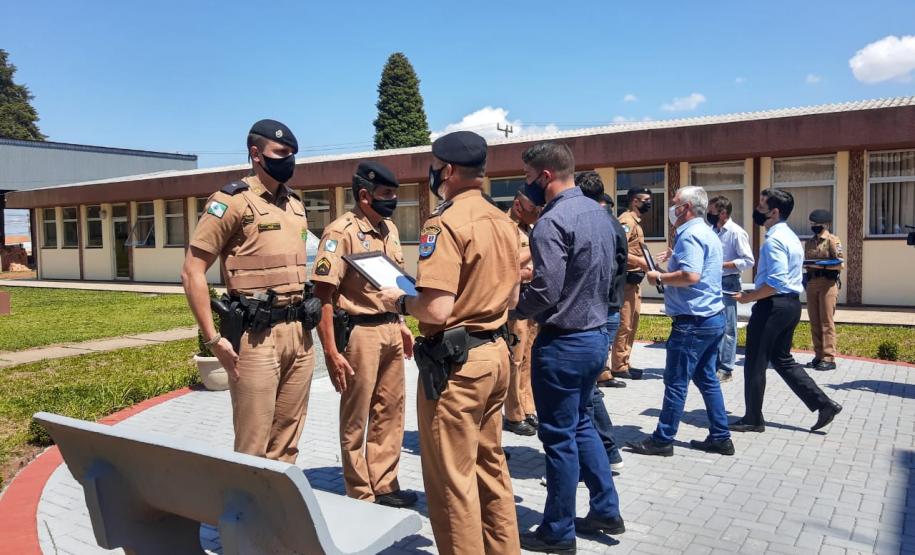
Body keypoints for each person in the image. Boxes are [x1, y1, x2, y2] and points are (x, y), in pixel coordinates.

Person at [379, 131, 521, 555]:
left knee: (450, 482)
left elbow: (437, 310)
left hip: (457, 366)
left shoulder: (444, 223)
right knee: (489, 468)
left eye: (436, 166)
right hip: (496, 354)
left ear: (450, 171)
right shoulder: (504, 221)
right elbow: (513, 298)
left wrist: (401, 300)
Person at [181, 119, 319, 462]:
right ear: (256, 154)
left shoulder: (295, 205)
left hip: (299, 334)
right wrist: (213, 339)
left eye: (292, 154)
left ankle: (278, 513)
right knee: (253, 445)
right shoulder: (231, 202)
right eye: (281, 152)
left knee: (288, 438)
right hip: (257, 339)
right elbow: (192, 271)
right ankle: (247, 514)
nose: (289, 160)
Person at [513, 144, 624, 553]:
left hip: (562, 342)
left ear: (543, 176)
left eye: (526, 176)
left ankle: (558, 531)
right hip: (596, 337)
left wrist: (514, 307)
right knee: (581, 426)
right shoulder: (600, 214)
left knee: (558, 439)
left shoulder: (550, 222)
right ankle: (606, 509)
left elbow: (545, 290)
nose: (524, 186)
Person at [311, 161, 418, 508]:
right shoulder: (340, 232)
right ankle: (360, 491)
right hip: (359, 334)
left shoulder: (389, 229)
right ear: (364, 195)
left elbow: (394, 283)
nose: (392, 201)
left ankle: (385, 483)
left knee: (391, 410)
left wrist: (402, 324)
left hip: (389, 326)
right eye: (386, 195)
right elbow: (323, 296)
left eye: (394, 195)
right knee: (357, 414)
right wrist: (330, 350)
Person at [625, 186, 734, 457]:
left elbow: (690, 276)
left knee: (676, 381)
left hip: (693, 323)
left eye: (674, 203)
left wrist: (659, 278)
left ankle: (663, 439)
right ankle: (721, 436)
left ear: (685, 208)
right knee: (707, 379)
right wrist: (659, 270)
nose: (670, 208)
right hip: (710, 317)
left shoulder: (690, 235)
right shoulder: (706, 233)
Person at [731, 188, 843, 433]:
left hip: (773, 306)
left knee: (755, 362)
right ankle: (824, 404)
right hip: (790, 305)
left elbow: (775, 283)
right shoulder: (791, 236)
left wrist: (747, 297)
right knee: (782, 359)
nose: (756, 209)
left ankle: (753, 418)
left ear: (774, 211)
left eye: (761, 205)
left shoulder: (774, 241)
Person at [606, 187, 653, 382]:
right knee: (624, 323)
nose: (649, 203)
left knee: (632, 322)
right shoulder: (626, 221)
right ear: (635, 201)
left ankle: (624, 361)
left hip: (634, 282)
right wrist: (642, 262)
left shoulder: (635, 222)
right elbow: (619, 249)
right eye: (646, 200)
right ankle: (618, 365)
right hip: (625, 282)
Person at [504, 191, 541, 436]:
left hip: (533, 300)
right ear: (518, 205)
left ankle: (528, 407)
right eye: (534, 208)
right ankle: (513, 414)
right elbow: (506, 266)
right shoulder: (505, 228)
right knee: (514, 360)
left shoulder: (530, 228)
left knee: (529, 357)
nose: (537, 213)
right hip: (514, 302)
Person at [707, 196, 755, 382]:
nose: (708, 215)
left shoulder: (736, 232)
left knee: (728, 327)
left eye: (711, 212)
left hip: (728, 283)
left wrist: (724, 264)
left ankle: (726, 368)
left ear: (723, 213)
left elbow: (748, 260)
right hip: (712, 282)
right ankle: (714, 363)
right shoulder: (712, 231)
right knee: (714, 325)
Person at [803, 209, 844, 371]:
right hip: (812, 282)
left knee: (826, 321)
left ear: (826, 224)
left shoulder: (832, 240)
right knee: (814, 321)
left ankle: (829, 357)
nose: (814, 227)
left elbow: (840, 263)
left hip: (827, 283)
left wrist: (819, 265)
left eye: (817, 224)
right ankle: (818, 355)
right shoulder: (810, 242)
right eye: (812, 224)